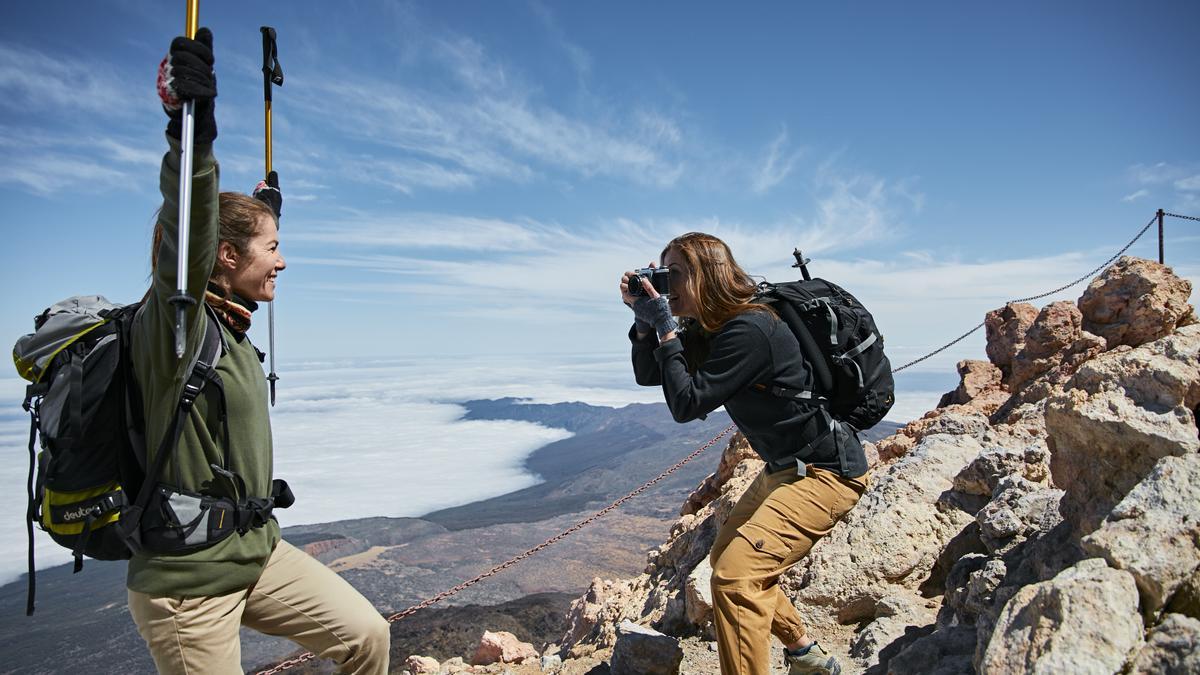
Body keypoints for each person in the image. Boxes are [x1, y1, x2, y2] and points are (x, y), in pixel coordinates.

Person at [126, 28, 390, 674]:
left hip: (255, 552)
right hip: (188, 585)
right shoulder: (176, 324)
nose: (283, 261)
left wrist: (262, 212)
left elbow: (228, 236)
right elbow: (188, 220)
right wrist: (193, 133)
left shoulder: (231, 323)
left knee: (368, 636)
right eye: (272, 250)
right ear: (223, 257)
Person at [621, 232, 868, 675]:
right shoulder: (711, 329)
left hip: (826, 471)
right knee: (726, 557)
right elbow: (649, 375)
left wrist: (663, 327)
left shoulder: (750, 327)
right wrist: (646, 321)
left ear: (707, 274)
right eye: (661, 274)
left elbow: (686, 404)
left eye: (673, 274)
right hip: (784, 469)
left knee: (736, 577)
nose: (666, 284)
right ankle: (806, 655)